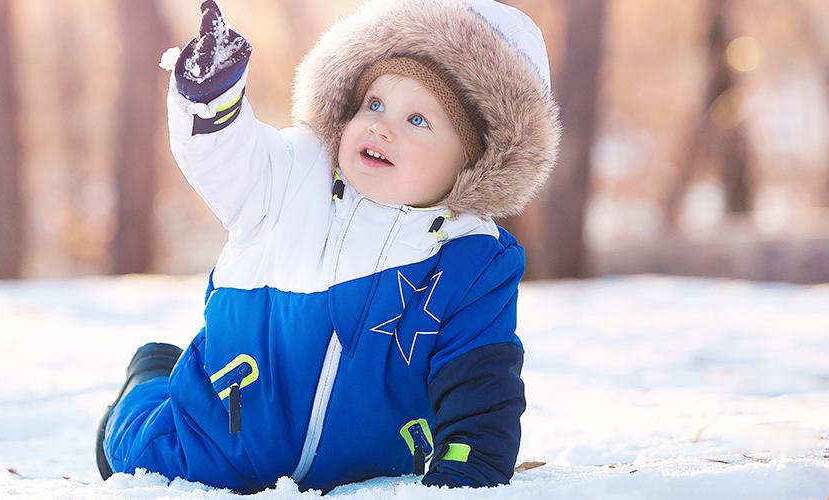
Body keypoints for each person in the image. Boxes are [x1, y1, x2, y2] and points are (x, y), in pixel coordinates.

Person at [96, 0, 560, 493]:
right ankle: (149, 372)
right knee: (129, 453)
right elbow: (227, 160)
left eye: (418, 120)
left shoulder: (475, 261)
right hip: (218, 437)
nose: (382, 126)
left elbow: (481, 383)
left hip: (367, 467)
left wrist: (468, 472)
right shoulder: (293, 174)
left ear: (474, 159)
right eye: (374, 104)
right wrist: (212, 99)